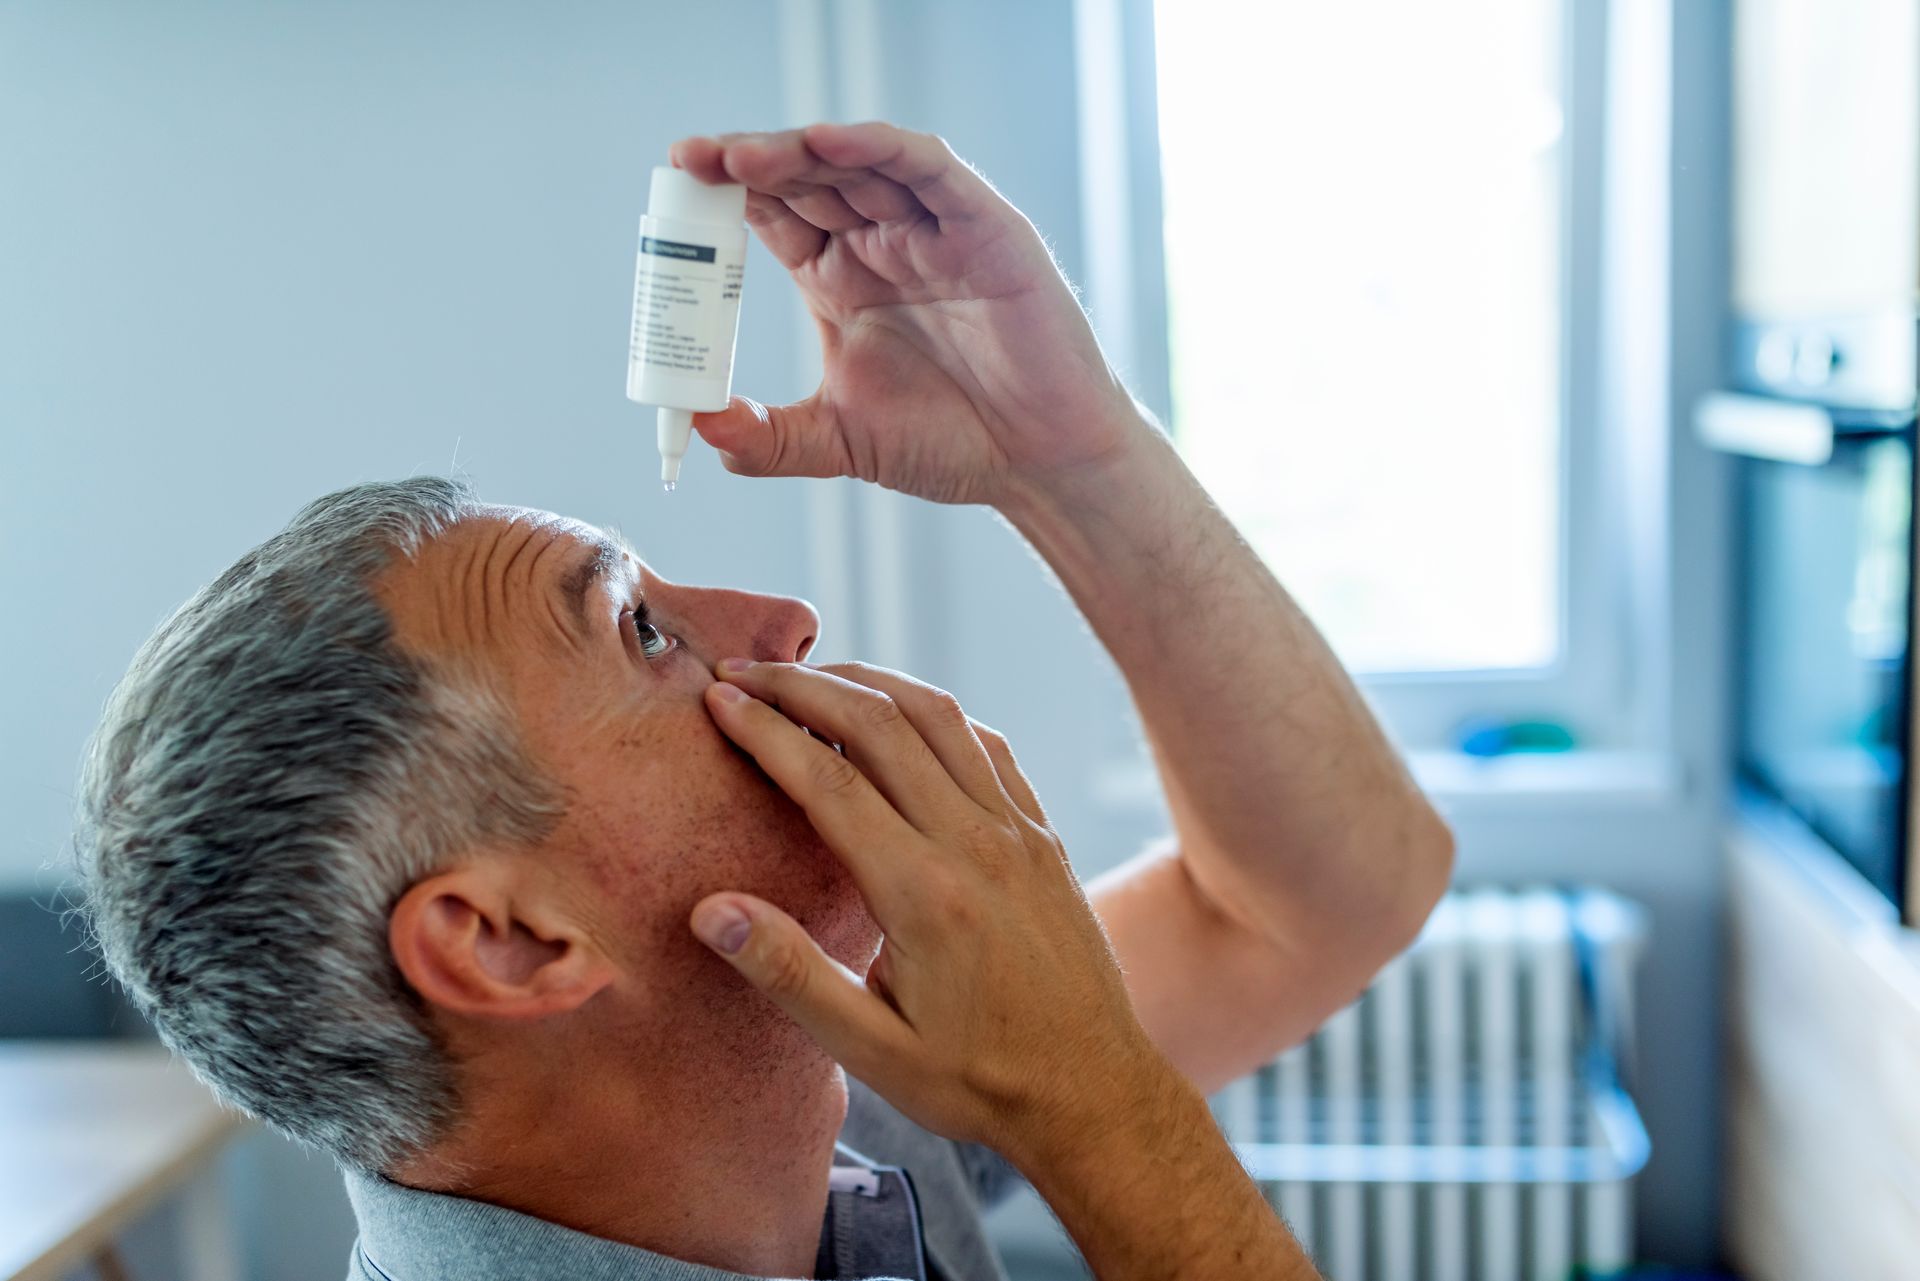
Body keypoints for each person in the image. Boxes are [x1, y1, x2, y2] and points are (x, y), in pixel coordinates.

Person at [75, 121, 1453, 1281]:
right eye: (647, 630)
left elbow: (1319, 894)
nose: (784, 625)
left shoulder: (818, 1106)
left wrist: (1068, 456)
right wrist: (1094, 1110)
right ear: (504, 941)